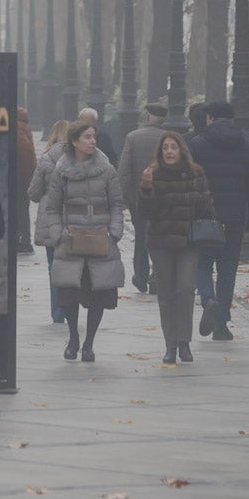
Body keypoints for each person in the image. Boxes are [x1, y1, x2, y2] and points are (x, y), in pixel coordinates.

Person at [45, 120, 126, 362]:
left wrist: (115, 231)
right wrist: (58, 233)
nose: (92, 141)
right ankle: (73, 338)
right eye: (87, 137)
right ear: (74, 141)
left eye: (94, 136)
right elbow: (52, 208)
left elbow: (116, 204)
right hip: (70, 241)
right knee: (69, 294)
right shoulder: (62, 171)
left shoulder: (107, 170)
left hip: (101, 241)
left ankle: (89, 343)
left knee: (98, 294)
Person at [188, 100, 249, 342]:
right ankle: (221, 324)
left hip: (204, 216)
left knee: (201, 263)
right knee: (228, 269)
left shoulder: (197, 144)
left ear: (209, 118)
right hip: (235, 218)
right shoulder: (245, 146)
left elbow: (188, 182)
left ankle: (208, 299)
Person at [139, 131, 215, 364]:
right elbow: (145, 213)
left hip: (187, 242)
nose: (169, 151)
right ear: (160, 152)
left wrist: (201, 201)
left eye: (173, 147)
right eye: (165, 148)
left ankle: (184, 342)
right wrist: (147, 189)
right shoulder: (153, 174)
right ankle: (170, 344)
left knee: (184, 288)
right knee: (166, 293)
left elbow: (207, 209)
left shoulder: (195, 172)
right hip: (161, 242)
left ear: (181, 150)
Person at [116, 102, 169, 293]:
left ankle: (140, 275)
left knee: (141, 235)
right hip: (164, 197)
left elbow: (124, 170)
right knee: (161, 236)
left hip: (138, 197)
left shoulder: (133, 137)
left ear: (147, 117)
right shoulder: (170, 139)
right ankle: (157, 277)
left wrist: (123, 197)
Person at [28, 119, 70, 323]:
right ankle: (70, 306)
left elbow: (34, 193)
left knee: (53, 265)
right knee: (72, 264)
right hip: (72, 218)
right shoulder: (77, 159)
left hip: (49, 219)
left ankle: (57, 311)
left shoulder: (45, 159)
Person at [15, 107, 37, 254]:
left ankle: (22, 241)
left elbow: (25, 150)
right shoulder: (24, 126)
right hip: (23, 176)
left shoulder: (17, 127)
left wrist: (28, 172)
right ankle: (24, 241)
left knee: (19, 208)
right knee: (22, 208)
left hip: (18, 175)